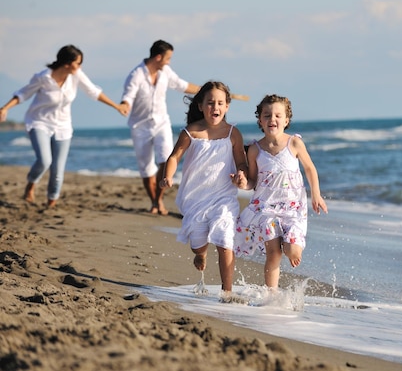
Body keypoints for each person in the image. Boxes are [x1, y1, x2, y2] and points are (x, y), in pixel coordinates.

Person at [0, 45, 127, 208]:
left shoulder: (76, 75)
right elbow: (23, 93)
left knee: (58, 170)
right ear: (67, 63)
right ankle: (31, 183)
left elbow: (93, 91)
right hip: (39, 122)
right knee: (45, 161)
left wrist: (116, 106)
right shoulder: (43, 77)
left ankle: (51, 202)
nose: (80, 67)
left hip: (63, 126)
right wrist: (5, 108)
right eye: (78, 63)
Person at [161, 80, 248, 299]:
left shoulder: (233, 133)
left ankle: (227, 292)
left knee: (225, 240)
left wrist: (241, 174)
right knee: (198, 246)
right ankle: (200, 255)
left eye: (220, 103)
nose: (215, 107)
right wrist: (168, 176)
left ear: (227, 106)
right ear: (201, 106)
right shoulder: (191, 132)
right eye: (210, 103)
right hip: (196, 199)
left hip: (224, 197)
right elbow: (174, 157)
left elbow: (241, 162)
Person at [234, 94, 328, 289]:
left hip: (293, 208)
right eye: (267, 115)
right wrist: (242, 183)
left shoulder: (294, 143)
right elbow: (252, 181)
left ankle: (292, 248)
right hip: (266, 208)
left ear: (286, 120)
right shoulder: (255, 150)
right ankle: (271, 294)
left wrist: (316, 194)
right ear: (260, 120)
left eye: (278, 115)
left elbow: (310, 168)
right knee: (273, 253)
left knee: (292, 250)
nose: (272, 119)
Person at [119, 40, 201, 216]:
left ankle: (158, 201)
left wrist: (205, 91)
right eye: (168, 58)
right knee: (146, 167)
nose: (169, 62)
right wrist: (125, 104)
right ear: (158, 57)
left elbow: (182, 85)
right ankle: (154, 202)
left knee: (166, 159)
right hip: (140, 127)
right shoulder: (136, 75)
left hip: (162, 123)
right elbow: (128, 95)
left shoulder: (165, 72)